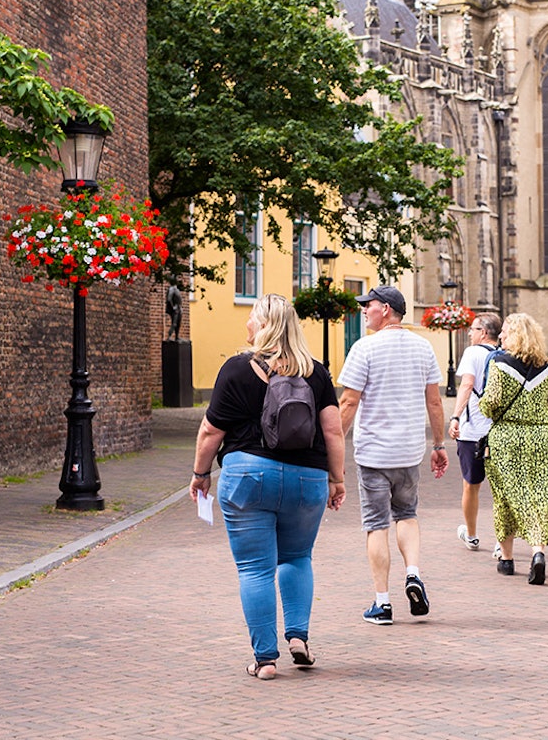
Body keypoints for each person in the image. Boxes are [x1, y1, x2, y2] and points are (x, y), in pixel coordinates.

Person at [190, 294, 347, 681]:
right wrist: (337, 478)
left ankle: (265, 660)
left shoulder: (236, 369)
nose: (247, 324)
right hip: (307, 479)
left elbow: (211, 430)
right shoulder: (317, 373)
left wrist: (200, 473)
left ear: (262, 325)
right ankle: (299, 638)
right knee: (297, 557)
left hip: (248, 476)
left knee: (255, 569)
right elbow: (333, 431)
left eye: (252, 318)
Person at [338, 285, 448, 625]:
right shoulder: (423, 347)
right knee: (407, 514)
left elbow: (349, 402)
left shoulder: (364, 348)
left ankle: (382, 603)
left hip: (373, 454)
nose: (364, 311)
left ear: (385, 309)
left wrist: (333, 447)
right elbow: (434, 402)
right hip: (409, 451)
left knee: (376, 525)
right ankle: (413, 573)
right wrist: (439, 446)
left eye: (368, 306)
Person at [479, 313, 548, 585]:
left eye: (505, 331)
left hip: (507, 437)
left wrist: (484, 406)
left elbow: (491, 401)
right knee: (539, 496)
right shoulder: (547, 367)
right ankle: (538, 552)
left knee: (506, 497)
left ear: (515, 334)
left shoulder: (499, 364)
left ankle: (506, 560)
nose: (502, 335)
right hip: (540, 436)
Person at [447, 313, 502, 553]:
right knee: (502, 488)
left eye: (472, 329)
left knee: (471, 485)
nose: (469, 333)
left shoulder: (472, 353)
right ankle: (502, 543)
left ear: (483, 332)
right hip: (500, 431)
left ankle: (471, 535)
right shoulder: (506, 355)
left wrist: (456, 416)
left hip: (474, 432)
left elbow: (467, 384)